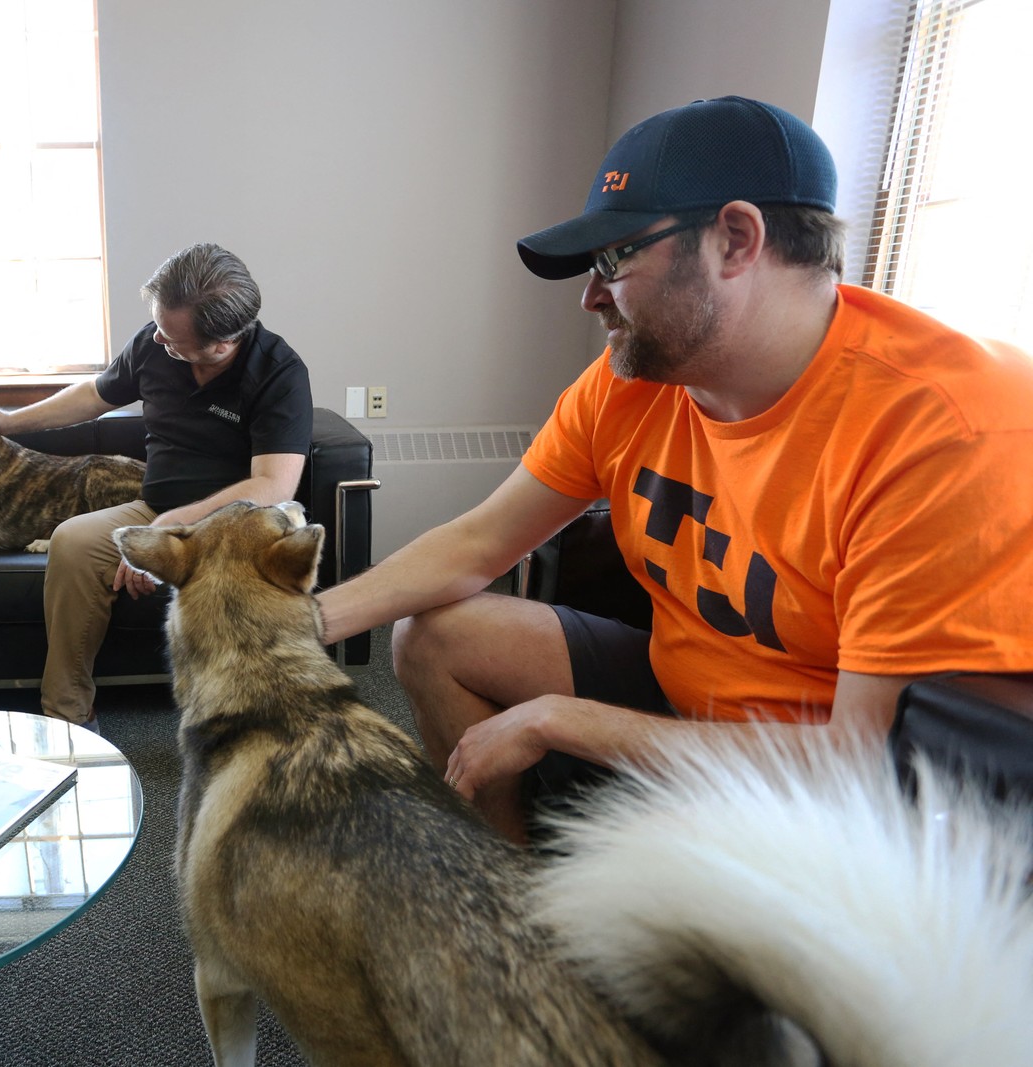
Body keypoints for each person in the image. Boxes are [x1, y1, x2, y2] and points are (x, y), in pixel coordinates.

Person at [316, 95, 1033, 842]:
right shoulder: (633, 382)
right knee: (432, 634)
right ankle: (510, 904)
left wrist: (569, 721)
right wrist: (304, 622)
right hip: (684, 684)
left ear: (735, 239)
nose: (591, 296)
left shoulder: (946, 427)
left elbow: (862, 764)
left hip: (825, 770)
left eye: (617, 256)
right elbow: (477, 544)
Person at [0, 243, 313, 725]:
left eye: (170, 334)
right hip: (155, 510)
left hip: (244, 526)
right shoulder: (153, 345)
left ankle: (249, 725)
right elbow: (95, 395)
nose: (157, 339)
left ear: (221, 345)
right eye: (158, 325)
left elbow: (274, 484)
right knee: (73, 541)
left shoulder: (279, 373)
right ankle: (70, 719)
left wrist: (176, 526)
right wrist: (11, 423)